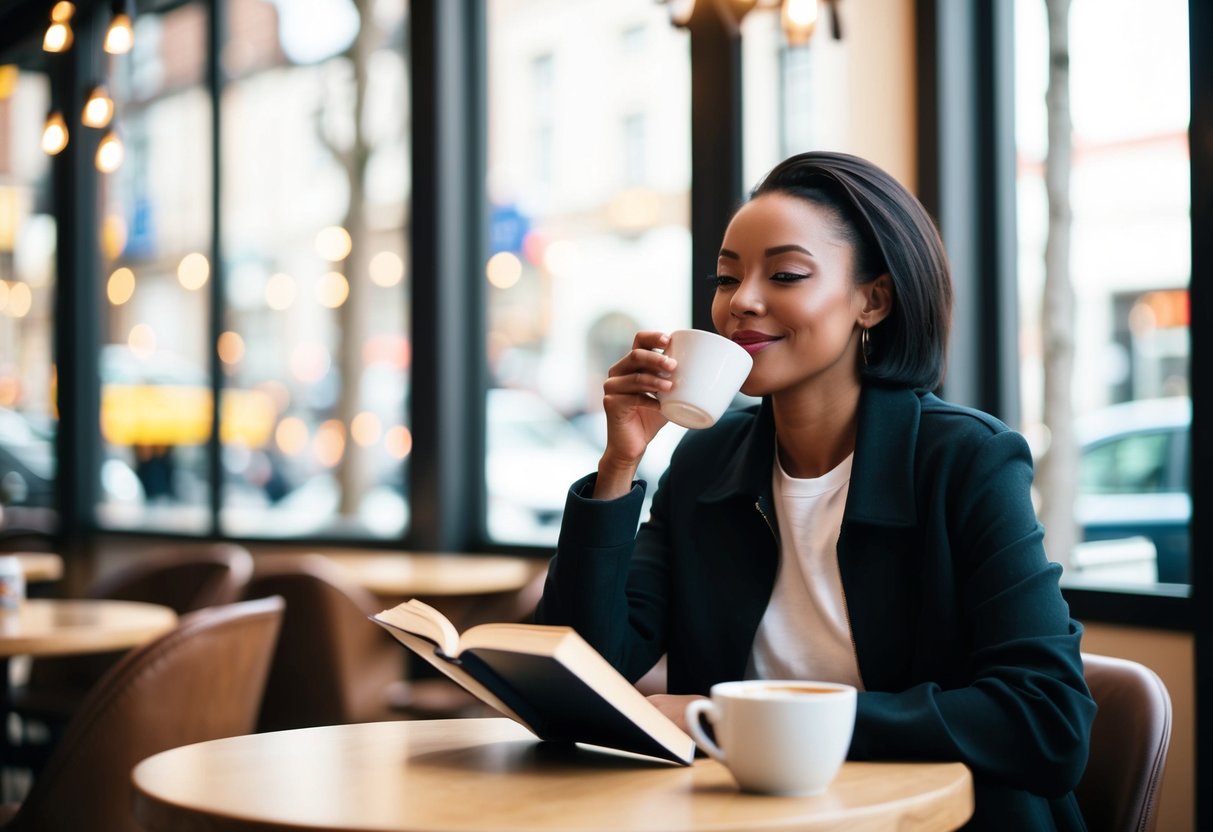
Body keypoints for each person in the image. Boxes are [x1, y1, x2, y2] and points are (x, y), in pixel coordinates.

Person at [534, 151, 1096, 830]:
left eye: (785, 274)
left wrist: (754, 723)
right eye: (726, 276)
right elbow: (588, 669)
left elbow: (1045, 720)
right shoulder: (706, 460)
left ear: (873, 300)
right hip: (749, 817)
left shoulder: (965, 460)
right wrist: (619, 463)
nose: (740, 300)